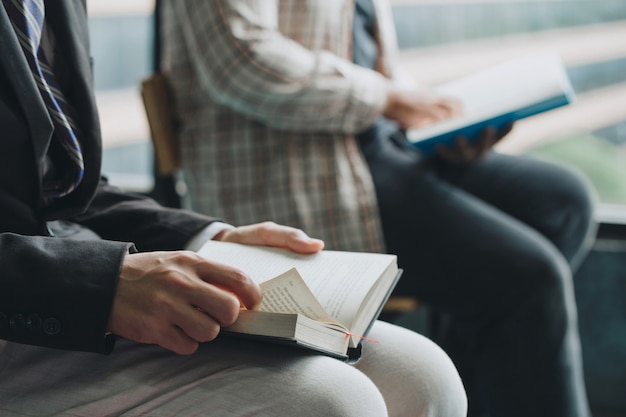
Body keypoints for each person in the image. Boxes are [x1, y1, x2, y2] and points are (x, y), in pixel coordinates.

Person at [0, 1, 469, 416]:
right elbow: (244, 65)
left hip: (70, 273)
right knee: (330, 402)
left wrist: (209, 238)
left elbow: (62, 188)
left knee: (422, 376)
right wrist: (100, 284)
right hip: (29, 299)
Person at [160, 1, 598, 416]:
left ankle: (479, 387)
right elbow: (239, 60)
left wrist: (434, 118)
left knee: (564, 202)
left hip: (380, 143)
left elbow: (362, 57)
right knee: (528, 279)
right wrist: (387, 99)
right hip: (304, 166)